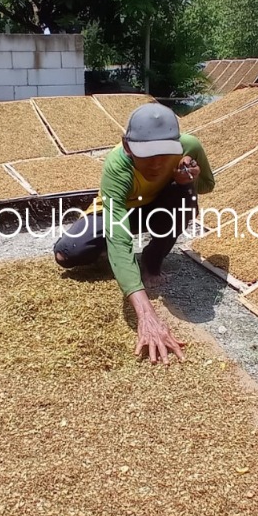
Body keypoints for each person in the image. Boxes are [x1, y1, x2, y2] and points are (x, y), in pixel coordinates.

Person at [54, 103, 214, 365]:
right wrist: (147, 315)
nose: (157, 163)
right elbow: (118, 232)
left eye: (164, 153)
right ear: (127, 146)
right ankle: (115, 259)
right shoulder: (117, 165)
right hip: (118, 214)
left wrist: (188, 179)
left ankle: (151, 262)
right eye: (147, 154)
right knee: (66, 254)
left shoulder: (189, 146)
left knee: (184, 197)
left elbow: (207, 185)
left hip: (154, 208)